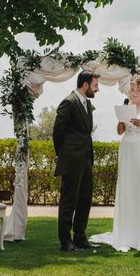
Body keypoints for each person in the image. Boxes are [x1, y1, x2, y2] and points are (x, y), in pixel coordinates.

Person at [90, 75, 140, 251]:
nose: (132, 92)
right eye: (131, 89)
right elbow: (120, 131)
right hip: (127, 148)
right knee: (128, 187)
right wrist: (121, 120)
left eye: (135, 89)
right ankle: (127, 233)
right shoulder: (127, 105)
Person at [53, 71, 100, 251]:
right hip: (72, 159)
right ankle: (65, 241)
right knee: (69, 201)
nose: (98, 90)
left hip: (86, 158)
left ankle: (80, 237)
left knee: (85, 199)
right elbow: (58, 131)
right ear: (85, 85)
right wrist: (62, 153)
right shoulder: (69, 102)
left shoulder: (87, 104)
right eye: (95, 86)